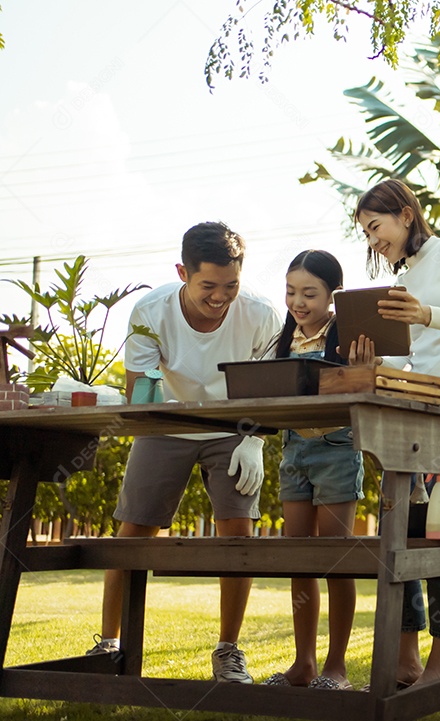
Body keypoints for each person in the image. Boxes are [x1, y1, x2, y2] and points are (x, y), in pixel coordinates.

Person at [86, 222, 280, 685]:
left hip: (234, 425)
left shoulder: (260, 313)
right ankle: (110, 644)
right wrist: (155, 407)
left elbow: (272, 392)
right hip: (166, 422)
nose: (220, 297)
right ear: (182, 272)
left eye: (230, 285)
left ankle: (228, 651)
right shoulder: (150, 311)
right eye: (208, 286)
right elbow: (139, 393)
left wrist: (253, 440)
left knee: (238, 536)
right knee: (131, 533)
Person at [349, 178, 440, 687]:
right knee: (405, 530)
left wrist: (425, 312)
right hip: (417, 406)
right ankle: (407, 655)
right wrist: (375, 357)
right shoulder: (402, 279)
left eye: (376, 227)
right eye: (366, 234)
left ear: (405, 215)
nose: (373, 241)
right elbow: (414, 355)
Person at [261, 250, 362, 691]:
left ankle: (335, 668)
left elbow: (363, 383)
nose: (297, 302)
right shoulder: (284, 339)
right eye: (290, 292)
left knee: (336, 560)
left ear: (332, 295)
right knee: (299, 561)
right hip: (294, 451)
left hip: (337, 450)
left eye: (309, 293)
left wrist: (360, 368)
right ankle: (303, 664)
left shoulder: (347, 336)